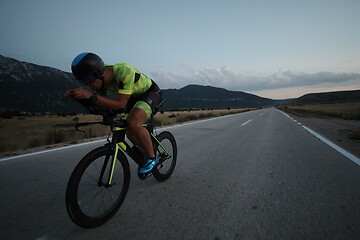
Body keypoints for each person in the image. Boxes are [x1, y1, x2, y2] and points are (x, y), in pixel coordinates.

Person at [65, 52, 161, 174]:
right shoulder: (100, 82)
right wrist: (81, 99)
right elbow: (101, 103)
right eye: (84, 83)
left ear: (99, 73)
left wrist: (89, 95)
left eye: (89, 80)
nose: (89, 85)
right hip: (132, 96)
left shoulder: (124, 71)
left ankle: (152, 158)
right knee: (129, 131)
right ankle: (149, 148)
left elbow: (119, 104)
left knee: (133, 122)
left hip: (150, 92)